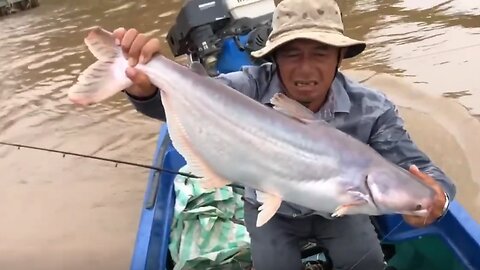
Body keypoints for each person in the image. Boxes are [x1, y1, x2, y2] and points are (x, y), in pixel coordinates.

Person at [112, 0, 456, 269]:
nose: (306, 69)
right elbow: (180, 105)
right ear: (274, 56)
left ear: (340, 56)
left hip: (339, 215)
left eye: (320, 52)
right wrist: (146, 87)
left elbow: (416, 167)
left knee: (367, 264)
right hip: (270, 211)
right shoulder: (247, 86)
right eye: (292, 53)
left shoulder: (372, 108)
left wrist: (439, 198)